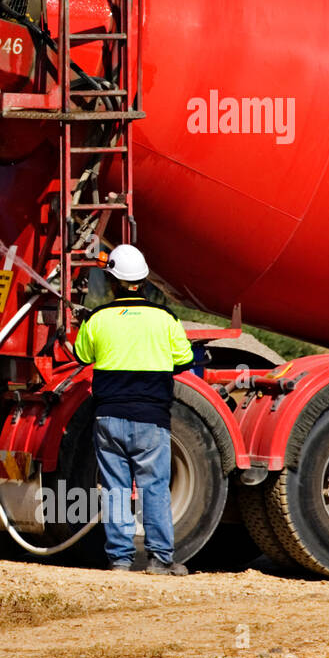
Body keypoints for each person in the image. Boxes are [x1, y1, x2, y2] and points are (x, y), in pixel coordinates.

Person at [72, 244, 194, 575]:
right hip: (151, 420)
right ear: (143, 281)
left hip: (108, 417)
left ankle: (120, 561)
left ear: (111, 282)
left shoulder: (98, 319)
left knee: (115, 488)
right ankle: (159, 560)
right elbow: (184, 359)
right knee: (154, 486)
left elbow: (81, 355)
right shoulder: (165, 319)